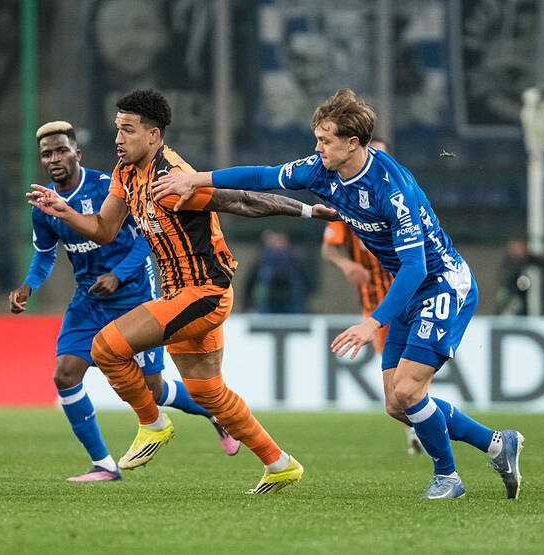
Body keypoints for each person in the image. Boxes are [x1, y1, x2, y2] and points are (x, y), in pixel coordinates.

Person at [152, 88, 525, 500]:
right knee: (396, 404)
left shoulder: (392, 191)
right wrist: (196, 178)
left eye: (325, 140)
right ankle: (497, 444)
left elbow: (417, 266)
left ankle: (448, 478)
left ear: (352, 143)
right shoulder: (320, 170)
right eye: (317, 139)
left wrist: (372, 323)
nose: (317, 148)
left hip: (443, 284)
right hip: (408, 289)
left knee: (408, 391)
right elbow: (262, 176)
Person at [28, 89, 336, 493]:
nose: (118, 139)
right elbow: (104, 230)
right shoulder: (124, 173)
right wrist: (65, 211)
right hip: (179, 295)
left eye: (128, 130)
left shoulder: (173, 178)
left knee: (105, 348)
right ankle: (279, 464)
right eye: (117, 129)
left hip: (204, 292)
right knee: (208, 392)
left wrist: (308, 210)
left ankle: (153, 423)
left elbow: (242, 201)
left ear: (154, 135)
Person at [10, 120, 240, 483]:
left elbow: (147, 236)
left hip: (134, 294)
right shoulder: (44, 205)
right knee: (65, 374)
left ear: (77, 153)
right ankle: (103, 464)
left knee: (153, 389)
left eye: (61, 150)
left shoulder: (108, 187)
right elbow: (45, 254)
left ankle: (217, 412)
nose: (54, 159)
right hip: (88, 299)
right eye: (46, 154)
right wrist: (28, 286)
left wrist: (118, 274)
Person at [320, 137, 422, 455]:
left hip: (412, 298)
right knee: (396, 388)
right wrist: (347, 265)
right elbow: (328, 248)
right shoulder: (347, 202)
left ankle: (424, 430)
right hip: (375, 302)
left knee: (410, 372)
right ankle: (419, 427)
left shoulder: (399, 197)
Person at [244, 229, 309, 313]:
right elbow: (250, 284)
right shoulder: (262, 260)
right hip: (267, 304)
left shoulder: (295, 259)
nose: (278, 244)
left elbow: (305, 283)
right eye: (275, 240)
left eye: (281, 240)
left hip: (291, 305)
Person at [494, 237, 544, 316]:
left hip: (534, 308)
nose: (515, 251)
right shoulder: (508, 265)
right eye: (512, 248)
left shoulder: (536, 264)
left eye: (518, 248)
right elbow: (506, 284)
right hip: (514, 306)